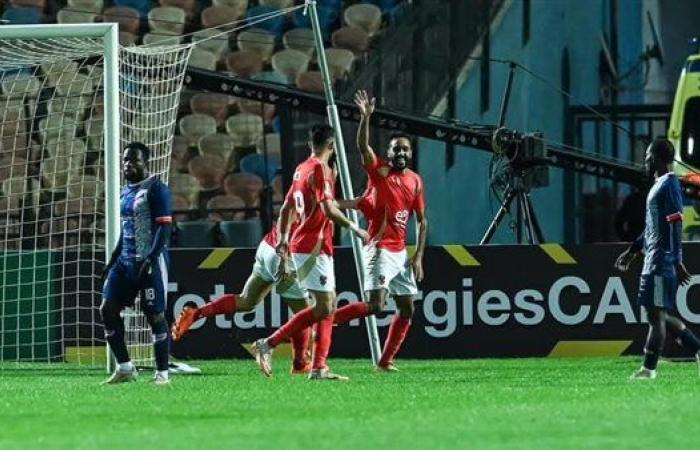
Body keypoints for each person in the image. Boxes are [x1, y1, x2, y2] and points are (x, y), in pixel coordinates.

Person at [251, 124, 369, 380]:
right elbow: (327, 210)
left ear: (310, 144)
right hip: (312, 245)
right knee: (324, 307)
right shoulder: (320, 169)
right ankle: (269, 343)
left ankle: (318, 368)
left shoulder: (301, 169)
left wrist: (283, 241)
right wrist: (354, 228)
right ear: (332, 146)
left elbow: (287, 209)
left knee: (327, 305)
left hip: (308, 244)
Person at [330, 90, 429, 372]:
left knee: (408, 308)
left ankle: (385, 362)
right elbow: (363, 148)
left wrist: (418, 255)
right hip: (380, 248)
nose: (400, 153)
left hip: (401, 253)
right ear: (388, 153)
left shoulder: (415, 181)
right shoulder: (380, 172)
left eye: (405, 149)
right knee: (375, 305)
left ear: (411, 153)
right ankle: (327, 320)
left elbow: (422, 221)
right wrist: (365, 118)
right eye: (396, 149)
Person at [170, 219, 314, 374]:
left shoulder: (297, 194)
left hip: (268, 247)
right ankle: (300, 363)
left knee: (247, 301)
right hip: (285, 255)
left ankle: (197, 313)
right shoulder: (323, 203)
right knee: (305, 316)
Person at [615, 138, 700, 380]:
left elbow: (675, 226)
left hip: (661, 262)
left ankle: (649, 368)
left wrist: (677, 261)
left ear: (658, 158)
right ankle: (697, 349)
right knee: (658, 315)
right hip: (652, 260)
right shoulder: (658, 185)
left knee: (655, 317)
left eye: (648, 156)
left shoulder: (670, 186)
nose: (645, 160)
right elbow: (653, 227)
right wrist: (633, 251)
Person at [101, 142, 173, 385]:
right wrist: (112, 260)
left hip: (149, 261)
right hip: (124, 263)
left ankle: (162, 374)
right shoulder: (124, 192)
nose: (128, 164)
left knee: (155, 316)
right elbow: (125, 229)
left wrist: (151, 258)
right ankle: (125, 367)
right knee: (107, 309)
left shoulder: (156, 189)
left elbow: (164, 227)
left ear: (146, 162)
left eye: (134, 160)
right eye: (125, 160)